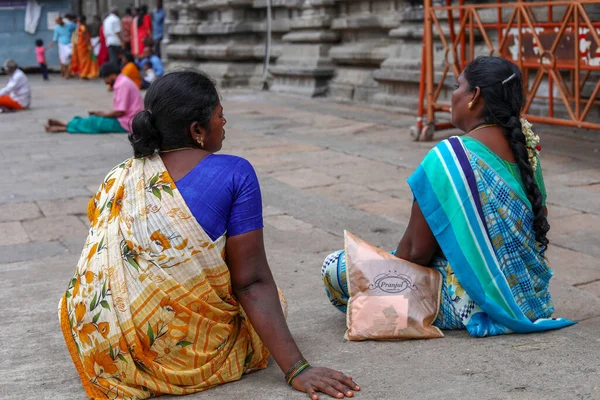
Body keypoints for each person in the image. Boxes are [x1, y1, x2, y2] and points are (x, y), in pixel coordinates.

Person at [58, 70, 360, 400]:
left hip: (102, 347)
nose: (225, 121)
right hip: (174, 357)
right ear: (197, 131)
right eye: (219, 115)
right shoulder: (234, 172)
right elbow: (252, 282)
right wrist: (297, 368)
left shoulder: (120, 174)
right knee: (275, 306)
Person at [322, 56, 575, 337]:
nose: (452, 94)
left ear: (474, 96)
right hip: (531, 299)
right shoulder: (527, 148)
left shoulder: (448, 158)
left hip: (471, 303)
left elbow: (415, 253)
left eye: (457, 85)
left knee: (335, 268)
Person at [44, 63, 143, 134]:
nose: (105, 82)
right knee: (93, 119)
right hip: (127, 119)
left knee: (94, 122)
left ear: (112, 75)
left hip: (128, 122)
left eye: (105, 78)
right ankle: (65, 124)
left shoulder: (122, 84)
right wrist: (100, 113)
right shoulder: (122, 81)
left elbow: (120, 112)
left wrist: (102, 114)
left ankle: (63, 128)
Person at [71, 15, 99, 79]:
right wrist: (89, 45)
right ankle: (85, 73)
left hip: (79, 46)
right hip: (84, 47)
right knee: (87, 60)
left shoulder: (77, 27)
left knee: (82, 61)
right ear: (84, 20)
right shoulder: (82, 27)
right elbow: (85, 37)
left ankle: (84, 73)